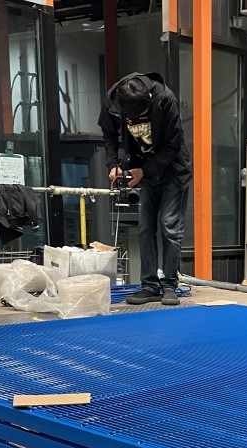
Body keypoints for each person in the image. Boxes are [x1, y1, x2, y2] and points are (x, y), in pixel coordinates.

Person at [99, 72, 191, 306]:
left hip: (173, 171)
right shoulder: (113, 101)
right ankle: (149, 285)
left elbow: (173, 146)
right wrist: (113, 164)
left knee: (169, 227)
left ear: (148, 98)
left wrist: (144, 171)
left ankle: (169, 284)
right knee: (145, 228)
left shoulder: (165, 99)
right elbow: (109, 134)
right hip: (143, 169)